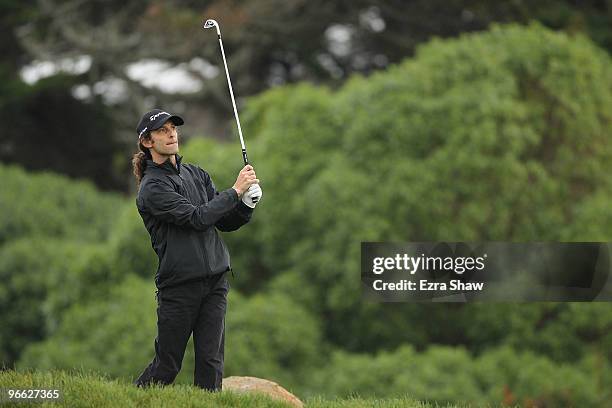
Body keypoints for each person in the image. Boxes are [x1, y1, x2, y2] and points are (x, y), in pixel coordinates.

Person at [130, 109, 262, 391]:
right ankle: (130, 399)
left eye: (173, 128)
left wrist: (246, 205)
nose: (171, 133)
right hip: (179, 287)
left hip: (215, 281)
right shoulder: (152, 189)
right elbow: (196, 218)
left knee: (211, 362)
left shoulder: (197, 174)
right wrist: (235, 191)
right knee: (167, 366)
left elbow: (223, 221)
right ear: (147, 142)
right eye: (162, 130)